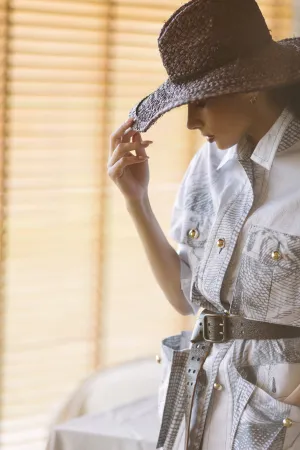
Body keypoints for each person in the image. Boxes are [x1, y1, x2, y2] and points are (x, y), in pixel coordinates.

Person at [107, 0, 300, 449]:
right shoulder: (208, 167)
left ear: (251, 87)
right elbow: (184, 297)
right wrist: (137, 201)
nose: (191, 122)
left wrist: (291, 407)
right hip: (200, 392)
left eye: (201, 101)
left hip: (281, 410)